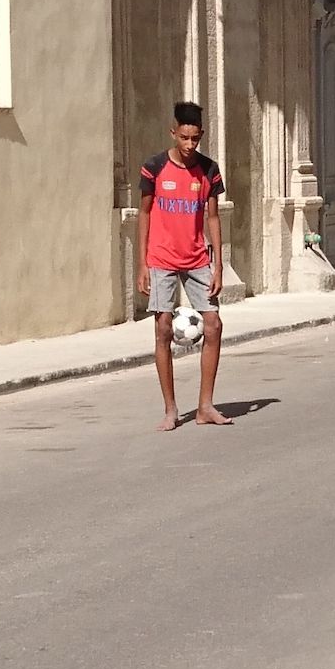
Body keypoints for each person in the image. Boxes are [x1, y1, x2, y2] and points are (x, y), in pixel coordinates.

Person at [139, 100, 230, 431]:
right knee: (163, 328)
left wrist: (218, 266)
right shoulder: (154, 167)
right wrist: (142, 264)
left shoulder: (209, 169)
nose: (190, 145)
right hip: (161, 257)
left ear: (201, 134)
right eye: (184, 138)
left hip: (196, 258)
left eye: (195, 138)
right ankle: (171, 409)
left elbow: (213, 217)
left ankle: (205, 406)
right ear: (173, 133)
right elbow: (144, 213)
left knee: (214, 325)